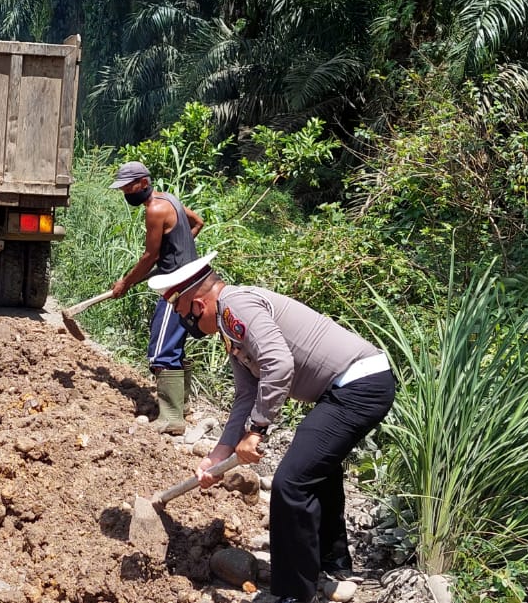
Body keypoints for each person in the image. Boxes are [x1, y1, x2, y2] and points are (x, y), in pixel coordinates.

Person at [151, 252, 395, 603]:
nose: (182, 321)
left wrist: (257, 431)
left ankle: (295, 593)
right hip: (350, 385)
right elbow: (246, 394)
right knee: (315, 468)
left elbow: (278, 364)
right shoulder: (227, 323)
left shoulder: (236, 307)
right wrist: (217, 456)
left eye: (180, 312)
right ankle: (333, 561)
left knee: (291, 483)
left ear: (198, 303)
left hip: (359, 384)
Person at [107, 161, 205, 434]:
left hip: (178, 286)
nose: (126, 193)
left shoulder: (154, 209)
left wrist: (125, 283)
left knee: (160, 351)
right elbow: (198, 222)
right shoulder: (170, 199)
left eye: (128, 187)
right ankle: (182, 407)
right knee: (175, 344)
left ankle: (172, 419)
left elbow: (149, 256)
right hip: (193, 279)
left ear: (143, 183)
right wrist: (176, 251)